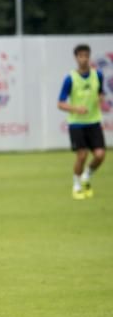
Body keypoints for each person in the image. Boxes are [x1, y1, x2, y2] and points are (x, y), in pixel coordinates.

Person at [57, 44, 105, 200]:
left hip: (94, 122)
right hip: (77, 123)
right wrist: (76, 108)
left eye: (86, 56)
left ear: (89, 57)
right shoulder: (70, 78)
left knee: (100, 155)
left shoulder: (97, 75)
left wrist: (100, 100)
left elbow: (100, 93)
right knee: (82, 155)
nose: (84, 59)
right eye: (81, 56)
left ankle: (86, 176)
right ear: (76, 58)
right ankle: (76, 185)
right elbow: (60, 103)